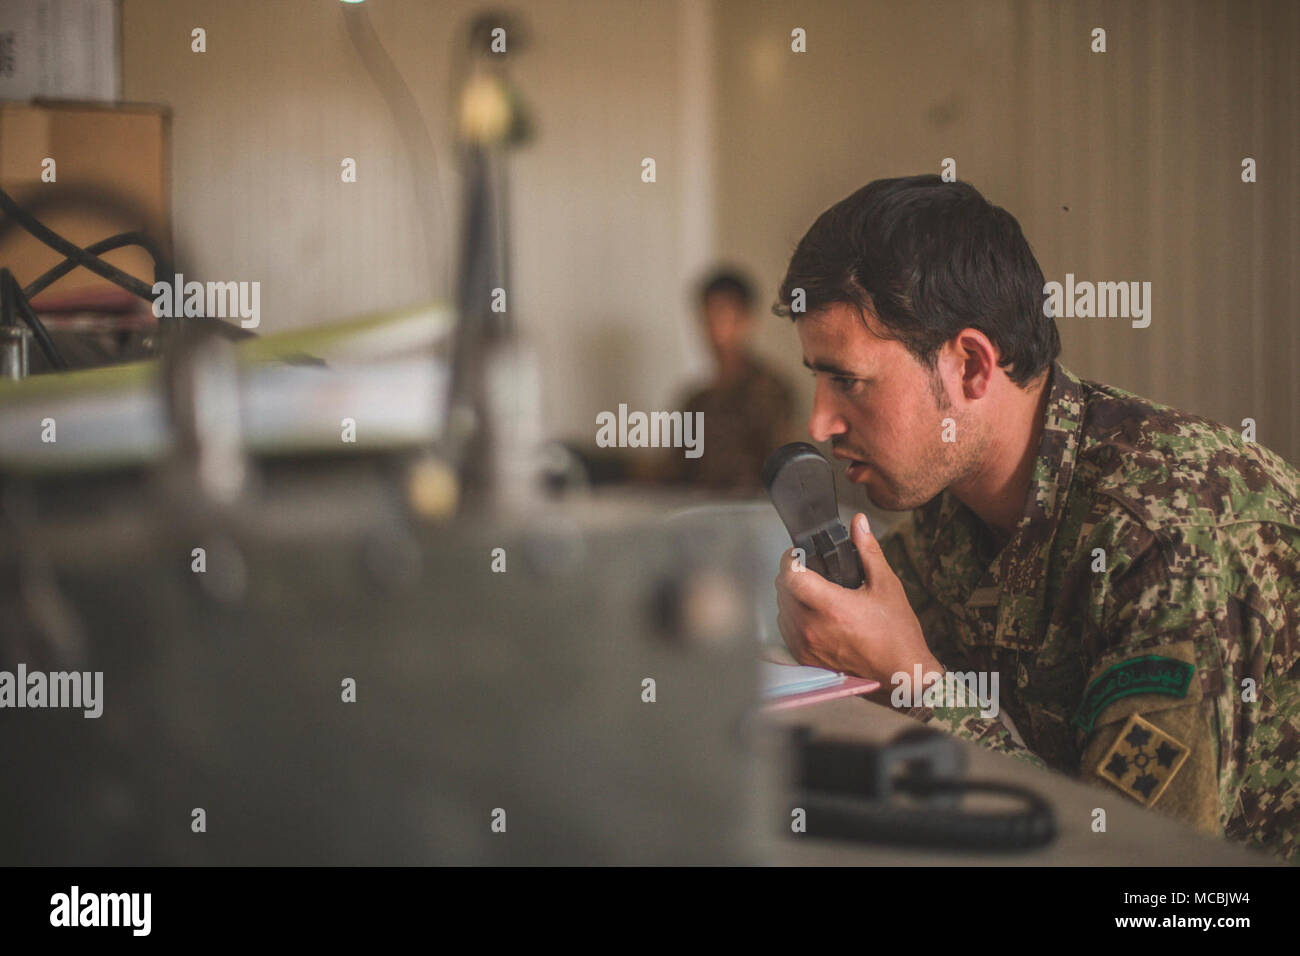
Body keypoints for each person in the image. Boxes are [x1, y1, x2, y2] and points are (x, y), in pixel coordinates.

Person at [770, 174, 1300, 862]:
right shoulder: (950, 508)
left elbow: (1139, 869)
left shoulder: (1163, 539)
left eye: (848, 380)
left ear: (971, 366)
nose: (819, 421)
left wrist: (917, 685)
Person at [659, 268, 796, 494]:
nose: (714, 330)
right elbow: (676, 473)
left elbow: (784, 472)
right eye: (707, 317)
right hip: (697, 516)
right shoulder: (696, 401)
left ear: (746, 320)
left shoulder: (770, 391)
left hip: (752, 518)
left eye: (723, 317)